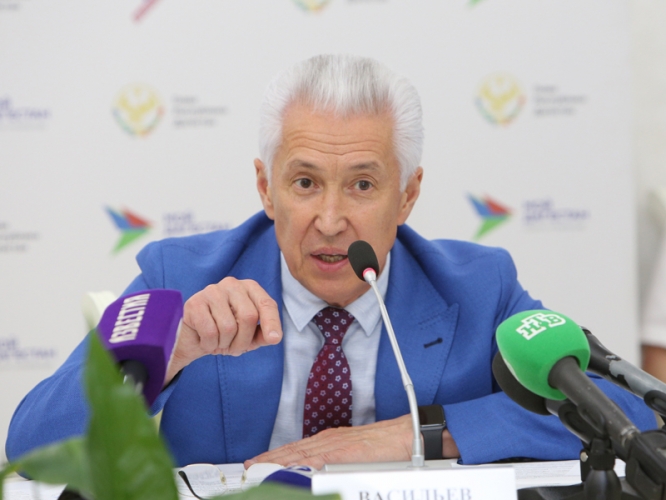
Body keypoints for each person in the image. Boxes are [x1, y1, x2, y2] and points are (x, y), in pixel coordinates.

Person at [6, 54, 656, 469]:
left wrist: (416, 435)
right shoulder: (180, 281)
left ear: (408, 195)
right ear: (266, 189)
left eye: (363, 185)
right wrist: (168, 351)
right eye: (305, 182)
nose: (330, 218)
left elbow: (633, 416)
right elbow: (32, 446)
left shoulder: (477, 287)